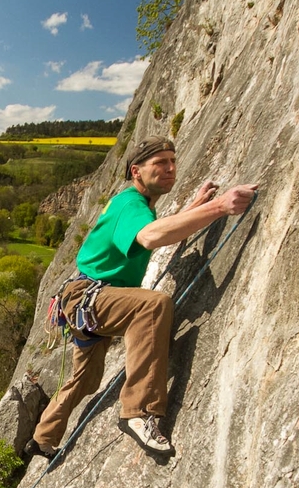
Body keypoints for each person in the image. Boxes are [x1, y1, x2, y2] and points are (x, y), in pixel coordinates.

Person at [26, 136, 258, 458]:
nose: (171, 168)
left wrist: (197, 208)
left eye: (173, 161)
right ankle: (138, 412)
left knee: (87, 377)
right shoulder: (129, 203)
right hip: (89, 296)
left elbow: (156, 228)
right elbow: (150, 236)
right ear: (136, 171)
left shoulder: (138, 205)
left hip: (88, 299)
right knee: (153, 305)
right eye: (161, 163)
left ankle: (42, 437)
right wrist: (218, 208)